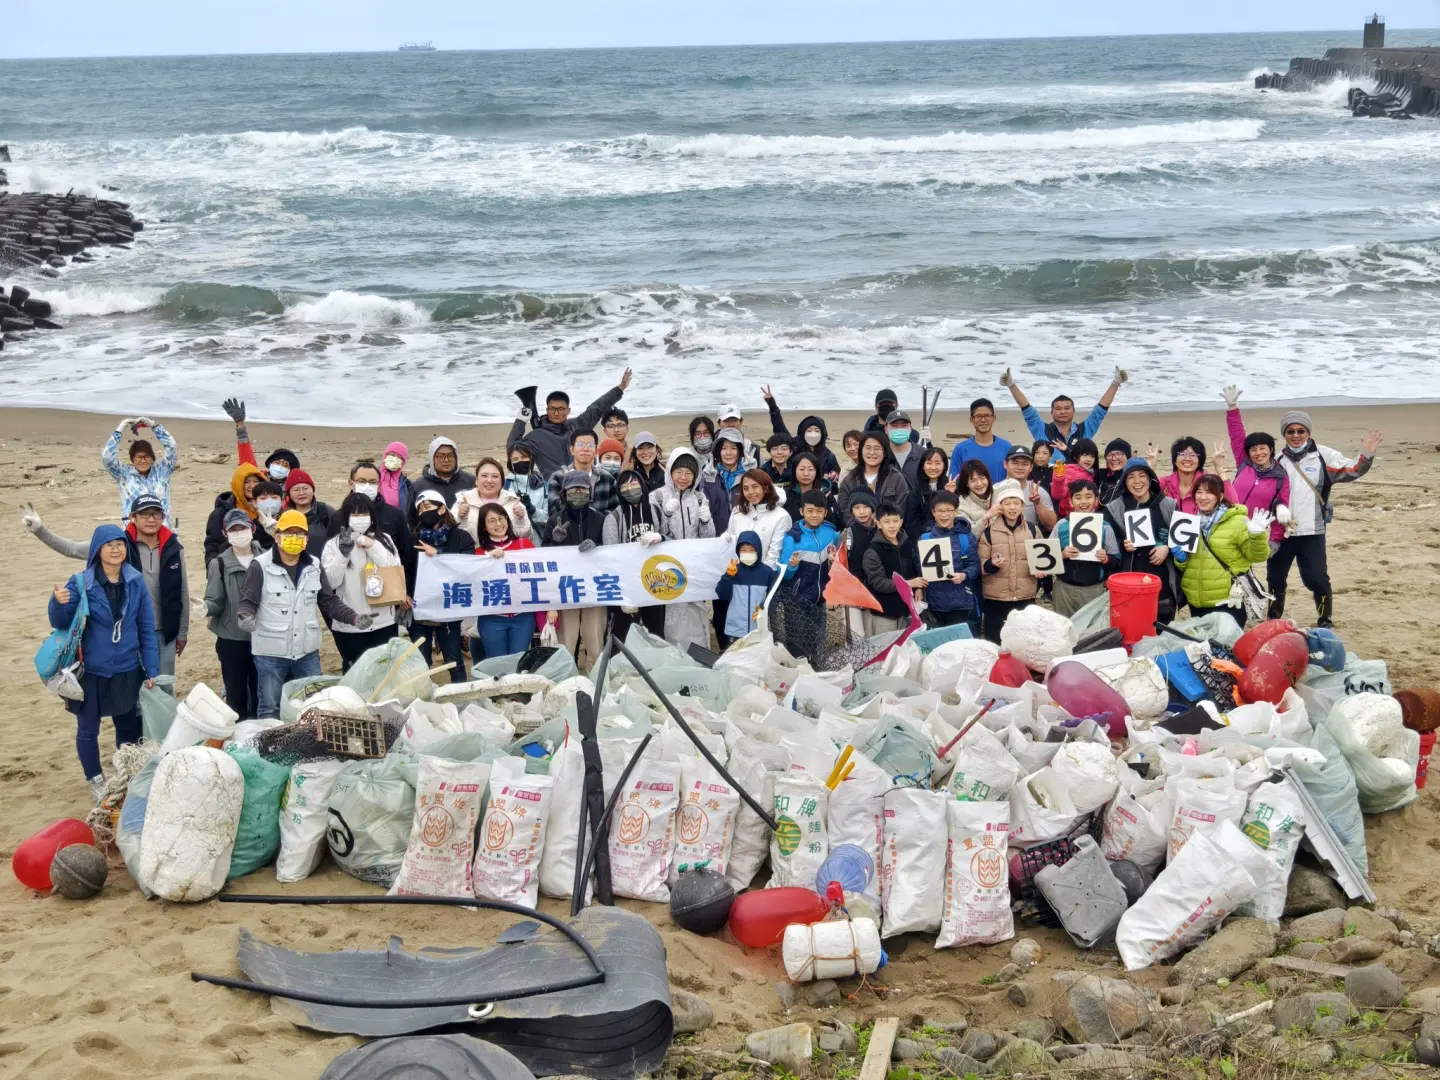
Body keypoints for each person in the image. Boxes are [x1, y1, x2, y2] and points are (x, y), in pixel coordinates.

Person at [49, 525, 159, 800]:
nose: (115, 549)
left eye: (120, 544)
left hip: (125, 668)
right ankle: (96, 778)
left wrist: (152, 669)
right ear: (98, 549)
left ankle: (127, 773)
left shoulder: (135, 582)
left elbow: (146, 628)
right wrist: (57, 603)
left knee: (128, 726)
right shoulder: (80, 582)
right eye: (108, 544)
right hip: (90, 670)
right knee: (88, 729)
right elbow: (61, 623)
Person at [29, 493, 189, 677]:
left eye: (156, 513)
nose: (151, 519)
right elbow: (71, 548)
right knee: (135, 690)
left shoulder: (174, 548)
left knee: (162, 686)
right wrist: (40, 530)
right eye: (144, 514)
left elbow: (182, 592)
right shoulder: (117, 543)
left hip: (165, 630)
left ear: (163, 516)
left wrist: (182, 632)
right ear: (132, 517)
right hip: (128, 630)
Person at [238, 510, 371, 717]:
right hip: (270, 653)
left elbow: (329, 601)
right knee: (270, 707)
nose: (294, 537)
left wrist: (354, 617)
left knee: (315, 705)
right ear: (277, 536)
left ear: (306, 539)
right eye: (288, 532)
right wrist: (245, 617)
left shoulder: (315, 566)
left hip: (306, 653)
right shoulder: (260, 566)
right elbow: (248, 602)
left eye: (299, 533)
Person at [1268, 409, 1381, 627]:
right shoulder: (1276, 460)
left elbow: (1352, 470)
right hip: (1281, 533)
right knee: (1275, 578)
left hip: (1313, 531)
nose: (1296, 435)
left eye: (1301, 430)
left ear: (1308, 431)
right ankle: (1273, 619)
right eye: (1290, 431)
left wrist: (1366, 455)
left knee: (1317, 579)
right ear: (1284, 434)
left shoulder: (1323, 455)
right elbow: (1263, 491)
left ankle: (1325, 619)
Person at [1172, 475, 1273, 629]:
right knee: (1204, 649)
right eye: (1199, 492)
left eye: (1209, 492)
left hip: (1229, 600)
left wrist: (1257, 536)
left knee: (1226, 647)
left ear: (1220, 496)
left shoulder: (1238, 522)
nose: (1203, 497)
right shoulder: (1189, 524)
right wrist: (1180, 560)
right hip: (1197, 600)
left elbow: (1257, 556)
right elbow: (1187, 566)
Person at [321, 493, 404, 671]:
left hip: (383, 621)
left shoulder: (384, 540)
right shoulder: (334, 545)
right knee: (355, 670)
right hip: (350, 623)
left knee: (384, 669)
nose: (360, 519)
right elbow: (330, 583)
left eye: (364, 514)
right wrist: (343, 555)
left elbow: (393, 570)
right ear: (346, 517)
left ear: (372, 516)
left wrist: (372, 546)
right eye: (355, 515)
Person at [509, 368, 632, 480]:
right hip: (555, 488)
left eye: (561, 409)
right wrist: (520, 422)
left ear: (568, 411)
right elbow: (512, 450)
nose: (556, 413)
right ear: (547, 410)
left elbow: (596, 408)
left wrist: (620, 388)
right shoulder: (536, 436)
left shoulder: (577, 425)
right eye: (552, 409)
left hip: (584, 485)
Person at [650, 449, 717, 652]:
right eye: (678, 471)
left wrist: (706, 520)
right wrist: (666, 515)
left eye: (689, 473)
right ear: (670, 471)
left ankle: (699, 653)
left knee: (696, 613)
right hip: (667, 567)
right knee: (672, 616)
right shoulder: (657, 496)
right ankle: (674, 654)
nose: (683, 477)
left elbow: (708, 538)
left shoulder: (699, 498)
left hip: (694, 566)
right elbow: (654, 534)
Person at [1102, 458, 1179, 622]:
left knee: (1160, 635)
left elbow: (1183, 540)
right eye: (1131, 477)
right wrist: (1123, 545)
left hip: (1162, 587)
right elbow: (1108, 545)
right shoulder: (1114, 508)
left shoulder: (1169, 506)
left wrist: (1167, 547)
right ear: (1124, 482)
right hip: (1128, 585)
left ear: (1150, 478)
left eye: (1142, 476)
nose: (1137, 482)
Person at [409, 490, 474, 681]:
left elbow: (468, 568)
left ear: (442, 508)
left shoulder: (461, 537)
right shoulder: (414, 539)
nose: (423, 511)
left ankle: (460, 698)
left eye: (428, 506)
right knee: (419, 662)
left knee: (454, 660)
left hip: (449, 609)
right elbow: (406, 570)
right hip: (420, 610)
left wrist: (437, 555)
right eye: (420, 509)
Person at [546, 471, 609, 665]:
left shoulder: (600, 519)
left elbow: (611, 552)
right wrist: (556, 542)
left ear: (590, 492)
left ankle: (597, 687)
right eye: (573, 488)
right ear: (564, 492)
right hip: (567, 589)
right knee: (566, 643)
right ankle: (564, 687)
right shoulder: (554, 520)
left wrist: (597, 546)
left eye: (583, 488)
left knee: (595, 643)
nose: (578, 492)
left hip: (594, 590)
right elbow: (545, 557)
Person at [474, 502, 551, 659]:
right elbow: (473, 583)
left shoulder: (525, 545)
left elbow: (542, 577)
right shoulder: (478, 553)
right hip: (492, 618)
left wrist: (552, 605)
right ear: (483, 526)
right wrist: (488, 560)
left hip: (522, 617)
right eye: (492, 520)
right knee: (497, 665)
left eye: (501, 518)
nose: (499, 524)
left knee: (519, 663)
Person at [1001, 366, 1128, 459]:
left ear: (1074, 411)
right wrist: (1011, 385)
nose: (1063, 411)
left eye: (1067, 408)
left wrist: (1116, 382)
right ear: (1051, 413)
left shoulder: (1084, 430)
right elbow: (1027, 409)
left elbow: (1100, 411)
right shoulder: (1042, 430)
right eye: (1058, 408)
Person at [204, 508, 260, 719]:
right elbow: (215, 601)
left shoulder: (267, 557)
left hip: (262, 636)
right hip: (231, 639)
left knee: (260, 692)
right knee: (235, 694)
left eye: (243, 528)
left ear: (252, 529)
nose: (239, 533)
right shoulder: (218, 563)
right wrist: (206, 607)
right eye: (233, 530)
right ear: (225, 533)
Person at [1221, 386, 1291, 550]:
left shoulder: (1281, 476)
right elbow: (1237, 435)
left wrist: (1274, 541)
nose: (1258, 453)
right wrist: (1232, 408)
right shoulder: (1244, 462)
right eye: (1253, 449)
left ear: (1271, 449)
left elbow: (1280, 509)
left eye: (1262, 448)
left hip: (1251, 530)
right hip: (1225, 522)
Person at [333, 460, 417, 592]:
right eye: (361, 481)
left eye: (372, 482)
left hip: (388, 591)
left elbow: (406, 556)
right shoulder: (338, 517)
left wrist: (405, 591)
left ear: (379, 486)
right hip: (349, 595)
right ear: (351, 483)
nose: (367, 486)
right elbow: (329, 563)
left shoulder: (395, 515)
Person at [775, 492, 840, 660]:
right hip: (796, 600)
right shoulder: (793, 537)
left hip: (820, 599)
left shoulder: (831, 533)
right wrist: (791, 566)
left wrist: (835, 561)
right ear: (801, 511)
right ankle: (797, 673)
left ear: (825, 513)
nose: (814, 515)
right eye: (810, 511)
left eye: (819, 511)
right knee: (797, 641)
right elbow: (784, 574)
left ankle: (814, 666)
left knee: (817, 637)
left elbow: (839, 561)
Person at [603, 469, 667, 641]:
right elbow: (611, 557)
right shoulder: (614, 518)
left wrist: (661, 537)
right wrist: (623, 592)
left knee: (656, 632)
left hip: (654, 580)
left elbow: (669, 539)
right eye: (624, 485)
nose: (629, 488)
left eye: (633, 483)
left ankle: (655, 666)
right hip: (628, 584)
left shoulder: (655, 511)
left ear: (642, 485)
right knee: (623, 634)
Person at [977, 479, 1042, 644]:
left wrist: (1041, 570)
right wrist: (992, 565)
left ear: (1022, 506)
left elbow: (1043, 559)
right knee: (994, 642)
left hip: (1025, 596)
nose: (1012, 507)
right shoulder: (989, 533)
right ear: (1000, 507)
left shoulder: (1033, 530)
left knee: (1024, 643)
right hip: (996, 599)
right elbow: (981, 566)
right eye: (1007, 503)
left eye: (1016, 503)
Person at [1051, 480, 1120, 617]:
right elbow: (1048, 556)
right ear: (1071, 501)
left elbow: (1116, 559)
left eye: (1088, 497)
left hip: (1093, 589)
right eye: (1078, 497)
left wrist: (1106, 558)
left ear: (1096, 500)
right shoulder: (1061, 525)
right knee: (1063, 628)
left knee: (1090, 631)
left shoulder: (1105, 527)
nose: (1083, 501)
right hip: (1063, 588)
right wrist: (1062, 554)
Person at [919, 491, 980, 635]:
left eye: (948, 510)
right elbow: (918, 568)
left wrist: (964, 575)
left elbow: (975, 566)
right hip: (934, 604)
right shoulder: (924, 538)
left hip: (961, 603)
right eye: (939, 511)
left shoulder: (966, 538)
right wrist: (918, 587)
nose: (944, 515)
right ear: (933, 512)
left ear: (956, 511)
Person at [860, 503, 923, 636]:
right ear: (878, 524)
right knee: (886, 651)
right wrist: (909, 583)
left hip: (907, 611)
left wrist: (919, 588)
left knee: (905, 651)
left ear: (901, 522)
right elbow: (879, 583)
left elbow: (916, 568)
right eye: (887, 522)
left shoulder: (907, 544)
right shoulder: (872, 551)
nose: (892, 526)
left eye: (895, 521)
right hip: (884, 613)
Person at [102, 415, 177, 522]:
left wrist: (153, 426)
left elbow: (171, 446)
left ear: (152, 458)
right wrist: (121, 428)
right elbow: (107, 457)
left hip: (162, 530)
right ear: (133, 459)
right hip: (134, 533)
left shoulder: (163, 471)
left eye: (146, 456)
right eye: (139, 457)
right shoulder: (124, 474)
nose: (143, 461)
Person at [716, 531, 780, 649]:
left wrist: (764, 610)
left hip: (758, 628)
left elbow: (774, 597)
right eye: (744, 550)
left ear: (758, 551)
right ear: (738, 552)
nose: (747, 553)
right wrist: (728, 577)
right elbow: (722, 594)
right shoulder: (733, 570)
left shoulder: (767, 572)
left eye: (751, 550)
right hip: (735, 628)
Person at [203, 462, 273, 566]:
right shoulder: (221, 513)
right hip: (232, 568)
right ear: (238, 484)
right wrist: (215, 569)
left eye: (256, 481)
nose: (252, 486)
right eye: (247, 482)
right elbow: (213, 545)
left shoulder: (269, 510)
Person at [762, 389, 842, 478]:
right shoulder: (795, 447)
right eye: (809, 430)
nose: (813, 434)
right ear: (803, 432)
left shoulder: (828, 456)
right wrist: (772, 405)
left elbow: (837, 476)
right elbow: (780, 429)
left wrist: (832, 477)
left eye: (817, 430)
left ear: (823, 434)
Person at [1150, 436, 1238, 515]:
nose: (1187, 459)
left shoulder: (1209, 483)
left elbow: (1234, 506)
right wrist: (1149, 469)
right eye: (1182, 454)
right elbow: (1142, 499)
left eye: (1193, 455)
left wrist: (1219, 469)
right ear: (1174, 460)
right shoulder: (1165, 484)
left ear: (1200, 461)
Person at [455, 457, 536, 544]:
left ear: (502, 482)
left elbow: (528, 538)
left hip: (509, 555)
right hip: (476, 556)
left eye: (495, 476)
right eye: (484, 476)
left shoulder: (513, 502)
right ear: (476, 481)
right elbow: (456, 540)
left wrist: (520, 521)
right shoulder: (463, 502)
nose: (489, 480)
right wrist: (461, 519)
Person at [838, 432, 910, 526]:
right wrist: (864, 528)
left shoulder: (896, 479)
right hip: (858, 536)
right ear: (861, 451)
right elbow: (844, 511)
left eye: (877, 448)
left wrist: (881, 526)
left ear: (885, 452)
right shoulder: (848, 481)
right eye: (867, 448)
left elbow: (900, 509)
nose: (872, 452)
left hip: (888, 534)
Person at [222, 397, 303, 481]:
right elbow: (246, 458)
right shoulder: (257, 479)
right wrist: (240, 423)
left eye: (285, 465)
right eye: (278, 463)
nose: (280, 467)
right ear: (270, 464)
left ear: (290, 471)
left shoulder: (293, 488)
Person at [725, 469, 792, 570]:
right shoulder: (737, 511)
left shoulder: (781, 516)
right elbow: (730, 544)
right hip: (737, 574)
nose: (750, 492)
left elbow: (774, 554)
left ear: (765, 488)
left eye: (755, 487)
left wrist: (761, 578)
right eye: (745, 488)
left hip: (763, 578)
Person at [546, 429, 619, 516]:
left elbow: (615, 514)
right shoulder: (558, 477)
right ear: (572, 450)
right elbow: (553, 513)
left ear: (596, 451)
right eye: (580, 445)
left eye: (590, 445)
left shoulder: (607, 478)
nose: (585, 449)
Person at [839, 491, 879, 640]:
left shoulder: (881, 530)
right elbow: (840, 565)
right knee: (856, 637)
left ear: (873, 509)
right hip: (853, 593)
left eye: (866, 507)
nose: (861, 512)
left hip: (875, 591)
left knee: (871, 636)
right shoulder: (847, 534)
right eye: (856, 507)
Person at [408, 437, 475, 525]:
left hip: (466, 535)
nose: (446, 460)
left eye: (450, 455)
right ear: (432, 458)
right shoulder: (418, 486)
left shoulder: (470, 481)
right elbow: (410, 519)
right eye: (440, 456)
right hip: (429, 537)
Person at [949, 397, 1012, 482]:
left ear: (994, 418)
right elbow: (954, 481)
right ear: (971, 420)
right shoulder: (960, 449)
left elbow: (1013, 478)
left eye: (987, 416)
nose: (983, 420)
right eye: (978, 416)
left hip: (1000, 494)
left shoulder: (1006, 447)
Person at [1002, 445, 1058, 533]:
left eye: (1025, 464)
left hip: (1029, 542)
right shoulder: (994, 490)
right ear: (1005, 464)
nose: (1020, 467)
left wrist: (1038, 503)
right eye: (1015, 463)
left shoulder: (1038, 491)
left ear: (1031, 467)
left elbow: (1051, 524)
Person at [504, 438, 550, 543]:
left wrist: (532, 509)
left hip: (537, 543)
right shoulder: (505, 485)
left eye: (524, 457)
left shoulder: (545, 485)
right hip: (512, 544)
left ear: (531, 458)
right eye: (515, 459)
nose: (520, 461)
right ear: (510, 462)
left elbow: (547, 518)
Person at [283, 469, 333, 557]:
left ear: (313, 490)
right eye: (296, 490)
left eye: (305, 488)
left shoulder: (326, 511)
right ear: (289, 494)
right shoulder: (284, 515)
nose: (301, 493)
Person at [907, 447, 955, 538]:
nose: (933, 467)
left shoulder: (951, 487)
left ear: (944, 465)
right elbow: (911, 523)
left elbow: (955, 515)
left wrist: (949, 495)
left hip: (948, 538)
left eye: (938, 463)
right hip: (924, 539)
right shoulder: (916, 490)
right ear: (922, 465)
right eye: (929, 463)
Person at [782, 452, 839, 527]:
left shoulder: (826, 493)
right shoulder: (784, 495)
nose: (806, 473)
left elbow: (836, 522)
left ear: (817, 471)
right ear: (794, 470)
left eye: (811, 469)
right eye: (802, 469)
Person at [1050, 438, 1099, 517]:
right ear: (1076, 456)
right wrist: (1059, 478)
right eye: (1085, 455)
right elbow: (1058, 495)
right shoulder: (1069, 472)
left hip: (1085, 514)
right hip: (1070, 516)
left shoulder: (1089, 473)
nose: (1089, 459)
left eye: (1092, 456)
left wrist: (1066, 451)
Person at [715, 404, 763, 470]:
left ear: (741, 422)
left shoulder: (752, 448)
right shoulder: (711, 448)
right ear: (718, 424)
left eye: (734, 420)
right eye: (726, 420)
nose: (731, 424)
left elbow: (764, 477)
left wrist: (752, 472)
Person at [885, 410, 923, 487]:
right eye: (894, 425)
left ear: (910, 429)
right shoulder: (879, 454)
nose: (899, 429)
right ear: (886, 429)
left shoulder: (922, 453)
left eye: (904, 425)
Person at [954, 460, 994, 529]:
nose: (979, 484)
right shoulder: (961, 504)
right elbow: (968, 533)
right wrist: (986, 518)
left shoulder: (999, 494)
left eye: (982, 478)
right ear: (967, 483)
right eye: (973, 480)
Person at [377, 441, 413, 513]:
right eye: (392, 455)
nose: (395, 459)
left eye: (399, 457)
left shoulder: (406, 483)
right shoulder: (373, 477)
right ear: (385, 455)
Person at [1096, 439, 1133, 505]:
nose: (1114, 458)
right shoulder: (1098, 476)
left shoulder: (1132, 478)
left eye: (1119, 454)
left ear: (1128, 458)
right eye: (1110, 455)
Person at [712, 428, 749, 493]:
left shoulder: (748, 472)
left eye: (733, 448)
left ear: (739, 451)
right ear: (718, 451)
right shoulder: (710, 473)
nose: (728, 453)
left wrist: (751, 473)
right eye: (724, 448)